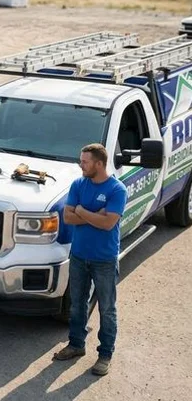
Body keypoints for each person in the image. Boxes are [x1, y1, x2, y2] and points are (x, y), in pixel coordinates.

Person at [53, 143, 127, 376]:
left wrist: (82, 211)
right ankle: (76, 345)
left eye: (84, 161)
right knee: (77, 305)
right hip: (79, 256)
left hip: (104, 259)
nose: (80, 165)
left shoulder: (117, 189)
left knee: (107, 309)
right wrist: (95, 213)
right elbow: (68, 217)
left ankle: (105, 355)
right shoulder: (78, 184)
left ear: (99, 163)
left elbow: (108, 223)